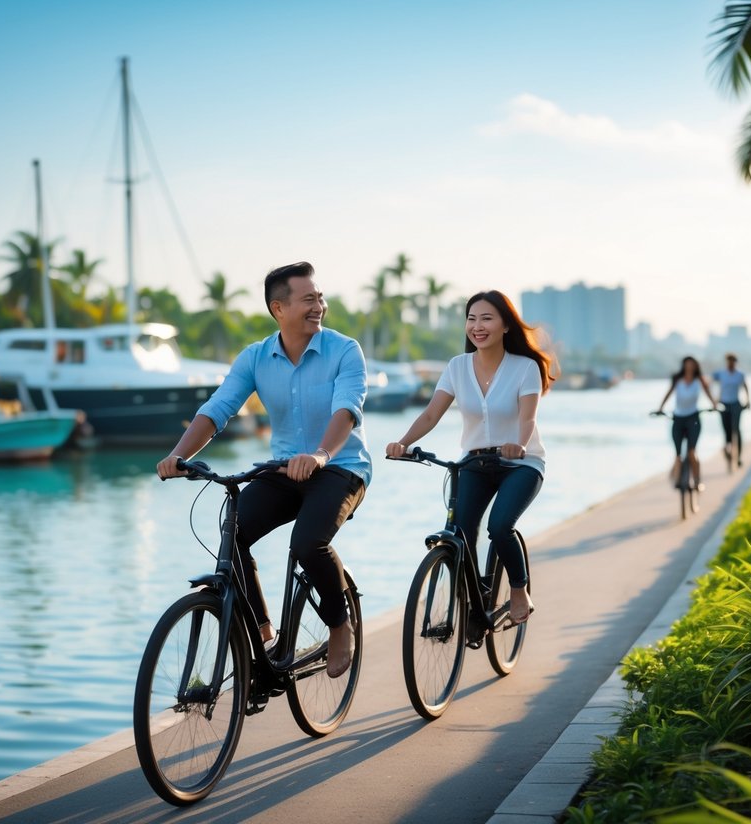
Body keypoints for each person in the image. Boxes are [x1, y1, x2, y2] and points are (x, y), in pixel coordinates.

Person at [156, 262, 371, 678]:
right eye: (309, 299)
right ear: (279, 308)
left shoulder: (345, 350)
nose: (319, 306)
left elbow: (347, 410)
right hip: (282, 469)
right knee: (231, 533)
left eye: (319, 297)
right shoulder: (255, 357)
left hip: (340, 467)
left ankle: (340, 623)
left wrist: (321, 455)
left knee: (308, 543)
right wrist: (178, 456)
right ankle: (262, 633)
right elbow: (218, 409)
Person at [386, 290, 555, 624]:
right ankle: (476, 597)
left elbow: (527, 419)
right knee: (460, 532)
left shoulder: (525, 368)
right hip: (474, 463)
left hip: (521, 463)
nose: (477, 326)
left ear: (506, 325)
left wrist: (518, 445)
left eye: (487, 318)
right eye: (472, 319)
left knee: (500, 526)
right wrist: (402, 442)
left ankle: (519, 590)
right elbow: (432, 415)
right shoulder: (457, 367)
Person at [656, 356, 718, 489]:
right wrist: (660, 408)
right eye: (687, 364)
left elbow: (708, 393)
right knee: (678, 454)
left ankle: (697, 480)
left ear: (695, 366)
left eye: (692, 365)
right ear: (683, 366)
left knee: (691, 451)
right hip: (678, 418)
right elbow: (668, 393)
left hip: (693, 418)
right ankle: (678, 479)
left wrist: (714, 405)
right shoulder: (677, 379)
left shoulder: (699, 380)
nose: (689, 367)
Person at [713, 353, 750, 467]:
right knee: (727, 430)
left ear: (735, 362)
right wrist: (714, 401)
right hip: (723, 404)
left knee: (736, 430)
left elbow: (745, 387)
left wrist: (748, 401)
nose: (730, 364)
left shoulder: (740, 374)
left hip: (735, 404)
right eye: (729, 361)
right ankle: (728, 451)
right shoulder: (721, 374)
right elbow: (711, 384)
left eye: (733, 361)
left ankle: (738, 457)